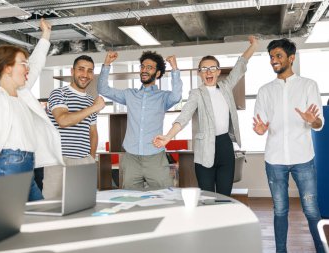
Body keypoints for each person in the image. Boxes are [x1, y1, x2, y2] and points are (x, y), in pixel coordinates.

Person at [0, 18, 64, 201]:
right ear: (8, 69)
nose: (28, 68)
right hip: (7, 167)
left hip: (27, 167)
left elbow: (37, 64)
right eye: (23, 63)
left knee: (36, 219)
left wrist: (46, 36)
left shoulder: (22, 95)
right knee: (8, 222)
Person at [153, 36, 258, 196]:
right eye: (204, 69)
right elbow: (184, 116)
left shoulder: (226, 87)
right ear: (199, 74)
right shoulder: (196, 94)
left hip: (225, 146)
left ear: (218, 71)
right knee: (208, 198)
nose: (208, 72)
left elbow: (240, 65)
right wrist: (168, 137)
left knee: (224, 197)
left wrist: (254, 46)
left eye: (212, 68)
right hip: (204, 150)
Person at [253, 38, 325, 253]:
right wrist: (260, 130)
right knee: (280, 211)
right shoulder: (265, 90)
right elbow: (260, 122)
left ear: (291, 58)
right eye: (271, 57)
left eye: (278, 56)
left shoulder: (308, 85)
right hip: (274, 161)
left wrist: (312, 120)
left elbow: (319, 124)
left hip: (303, 159)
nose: (273, 61)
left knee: (312, 210)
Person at [98, 51, 182, 190]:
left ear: (158, 73)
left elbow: (176, 96)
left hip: (155, 157)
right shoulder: (129, 94)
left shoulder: (163, 97)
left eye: (149, 67)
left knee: (166, 195)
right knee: (131, 199)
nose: (144, 70)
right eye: (142, 66)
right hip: (131, 159)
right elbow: (103, 89)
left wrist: (174, 69)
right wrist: (106, 64)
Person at [43, 55, 105, 199]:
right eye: (81, 69)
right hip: (59, 160)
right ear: (72, 71)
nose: (85, 74)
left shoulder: (91, 100)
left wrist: (90, 158)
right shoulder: (59, 93)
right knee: (54, 206)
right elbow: (63, 120)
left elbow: (93, 132)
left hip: (83, 161)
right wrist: (94, 107)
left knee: (83, 204)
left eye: (89, 71)